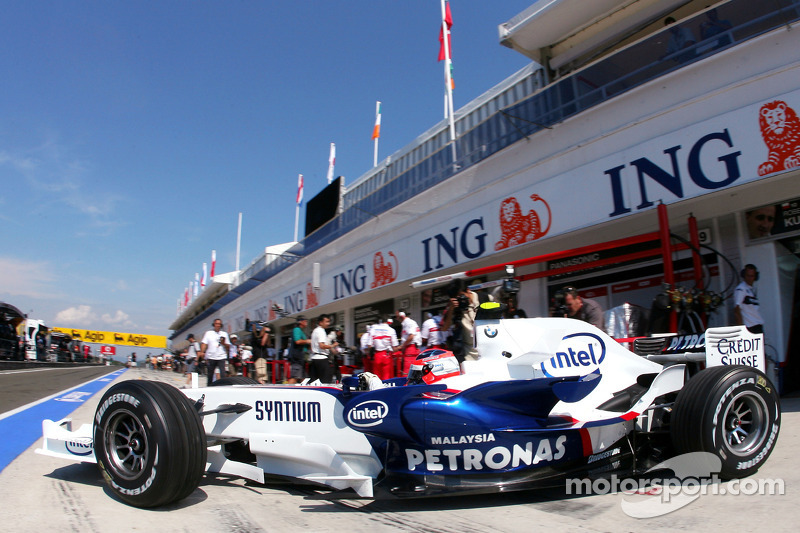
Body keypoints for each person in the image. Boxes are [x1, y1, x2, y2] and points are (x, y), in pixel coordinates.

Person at [440, 279, 485, 362]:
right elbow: (444, 328)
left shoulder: (483, 298)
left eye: (461, 296)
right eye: (457, 298)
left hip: (488, 348)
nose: (461, 300)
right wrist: (451, 309)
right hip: (469, 354)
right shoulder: (453, 308)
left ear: (468, 290)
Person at [734, 264, 764, 334]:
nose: (749, 278)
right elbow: (736, 309)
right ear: (744, 275)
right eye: (748, 276)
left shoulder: (751, 289)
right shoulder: (741, 289)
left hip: (757, 325)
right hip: (750, 327)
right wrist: (742, 330)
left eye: (752, 276)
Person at [199, 318, 229, 385]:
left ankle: (223, 386)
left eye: (219, 324)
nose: (218, 325)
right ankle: (209, 386)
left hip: (221, 356)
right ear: (214, 324)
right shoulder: (208, 333)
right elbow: (204, 343)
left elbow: (228, 346)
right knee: (210, 374)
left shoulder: (224, 334)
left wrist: (223, 343)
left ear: (221, 325)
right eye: (216, 324)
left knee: (223, 374)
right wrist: (202, 352)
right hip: (211, 356)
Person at [369, 316, 398, 380]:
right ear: (388, 321)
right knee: (386, 376)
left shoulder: (373, 329)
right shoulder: (391, 330)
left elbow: (369, 345)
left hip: (377, 355)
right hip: (387, 355)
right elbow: (394, 346)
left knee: (376, 376)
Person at [309, 314, 337, 383]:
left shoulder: (314, 331)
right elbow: (322, 345)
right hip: (322, 359)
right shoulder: (321, 331)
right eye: (326, 322)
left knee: (314, 382)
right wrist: (332, 345)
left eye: (329, 322)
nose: (328, 324)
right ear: (321, 322)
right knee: (325, 381)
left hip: (314, 358)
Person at [396, 310, 421, 375]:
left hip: (411, 349)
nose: (396, 318)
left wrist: (401, 346)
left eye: (397, 316)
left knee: (407, 373)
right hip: (410, 349)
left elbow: (411, 336)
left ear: (401, 315)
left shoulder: (408, 323)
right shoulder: (406, 323)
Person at [288, 315, 311, 384]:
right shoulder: (297, 329)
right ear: (300, 322)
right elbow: (297, 341)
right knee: (295, 377)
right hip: (297, 357)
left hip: (302, 358)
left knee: (303, 377)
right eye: (305, 320)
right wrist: (307, 341)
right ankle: (285, 391)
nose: (306, 322)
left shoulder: (302, 331)